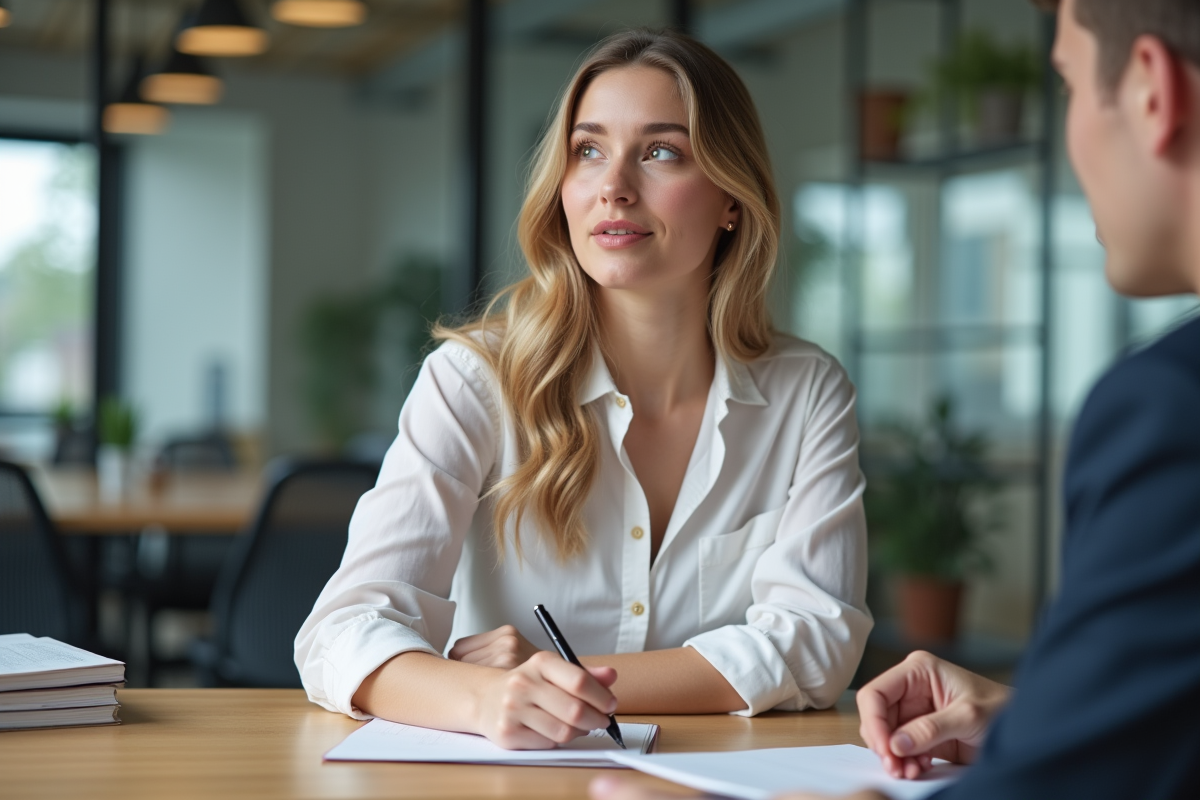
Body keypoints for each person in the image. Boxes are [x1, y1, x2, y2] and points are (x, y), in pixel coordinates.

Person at [589, 0, 1200, 798]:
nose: (613, 187)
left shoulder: (1172, 405)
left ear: (1152, 92)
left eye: (1068, 87)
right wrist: (1030, 716)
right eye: (588, 150)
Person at [294, 29, 873, 749]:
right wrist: (485, 700)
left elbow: (817, 643)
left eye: (661, 151)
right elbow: (341, 632)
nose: (614, 187)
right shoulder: (474, 381)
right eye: (588, 150)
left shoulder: (807, 392)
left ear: (732, 197)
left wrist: (550, 676)